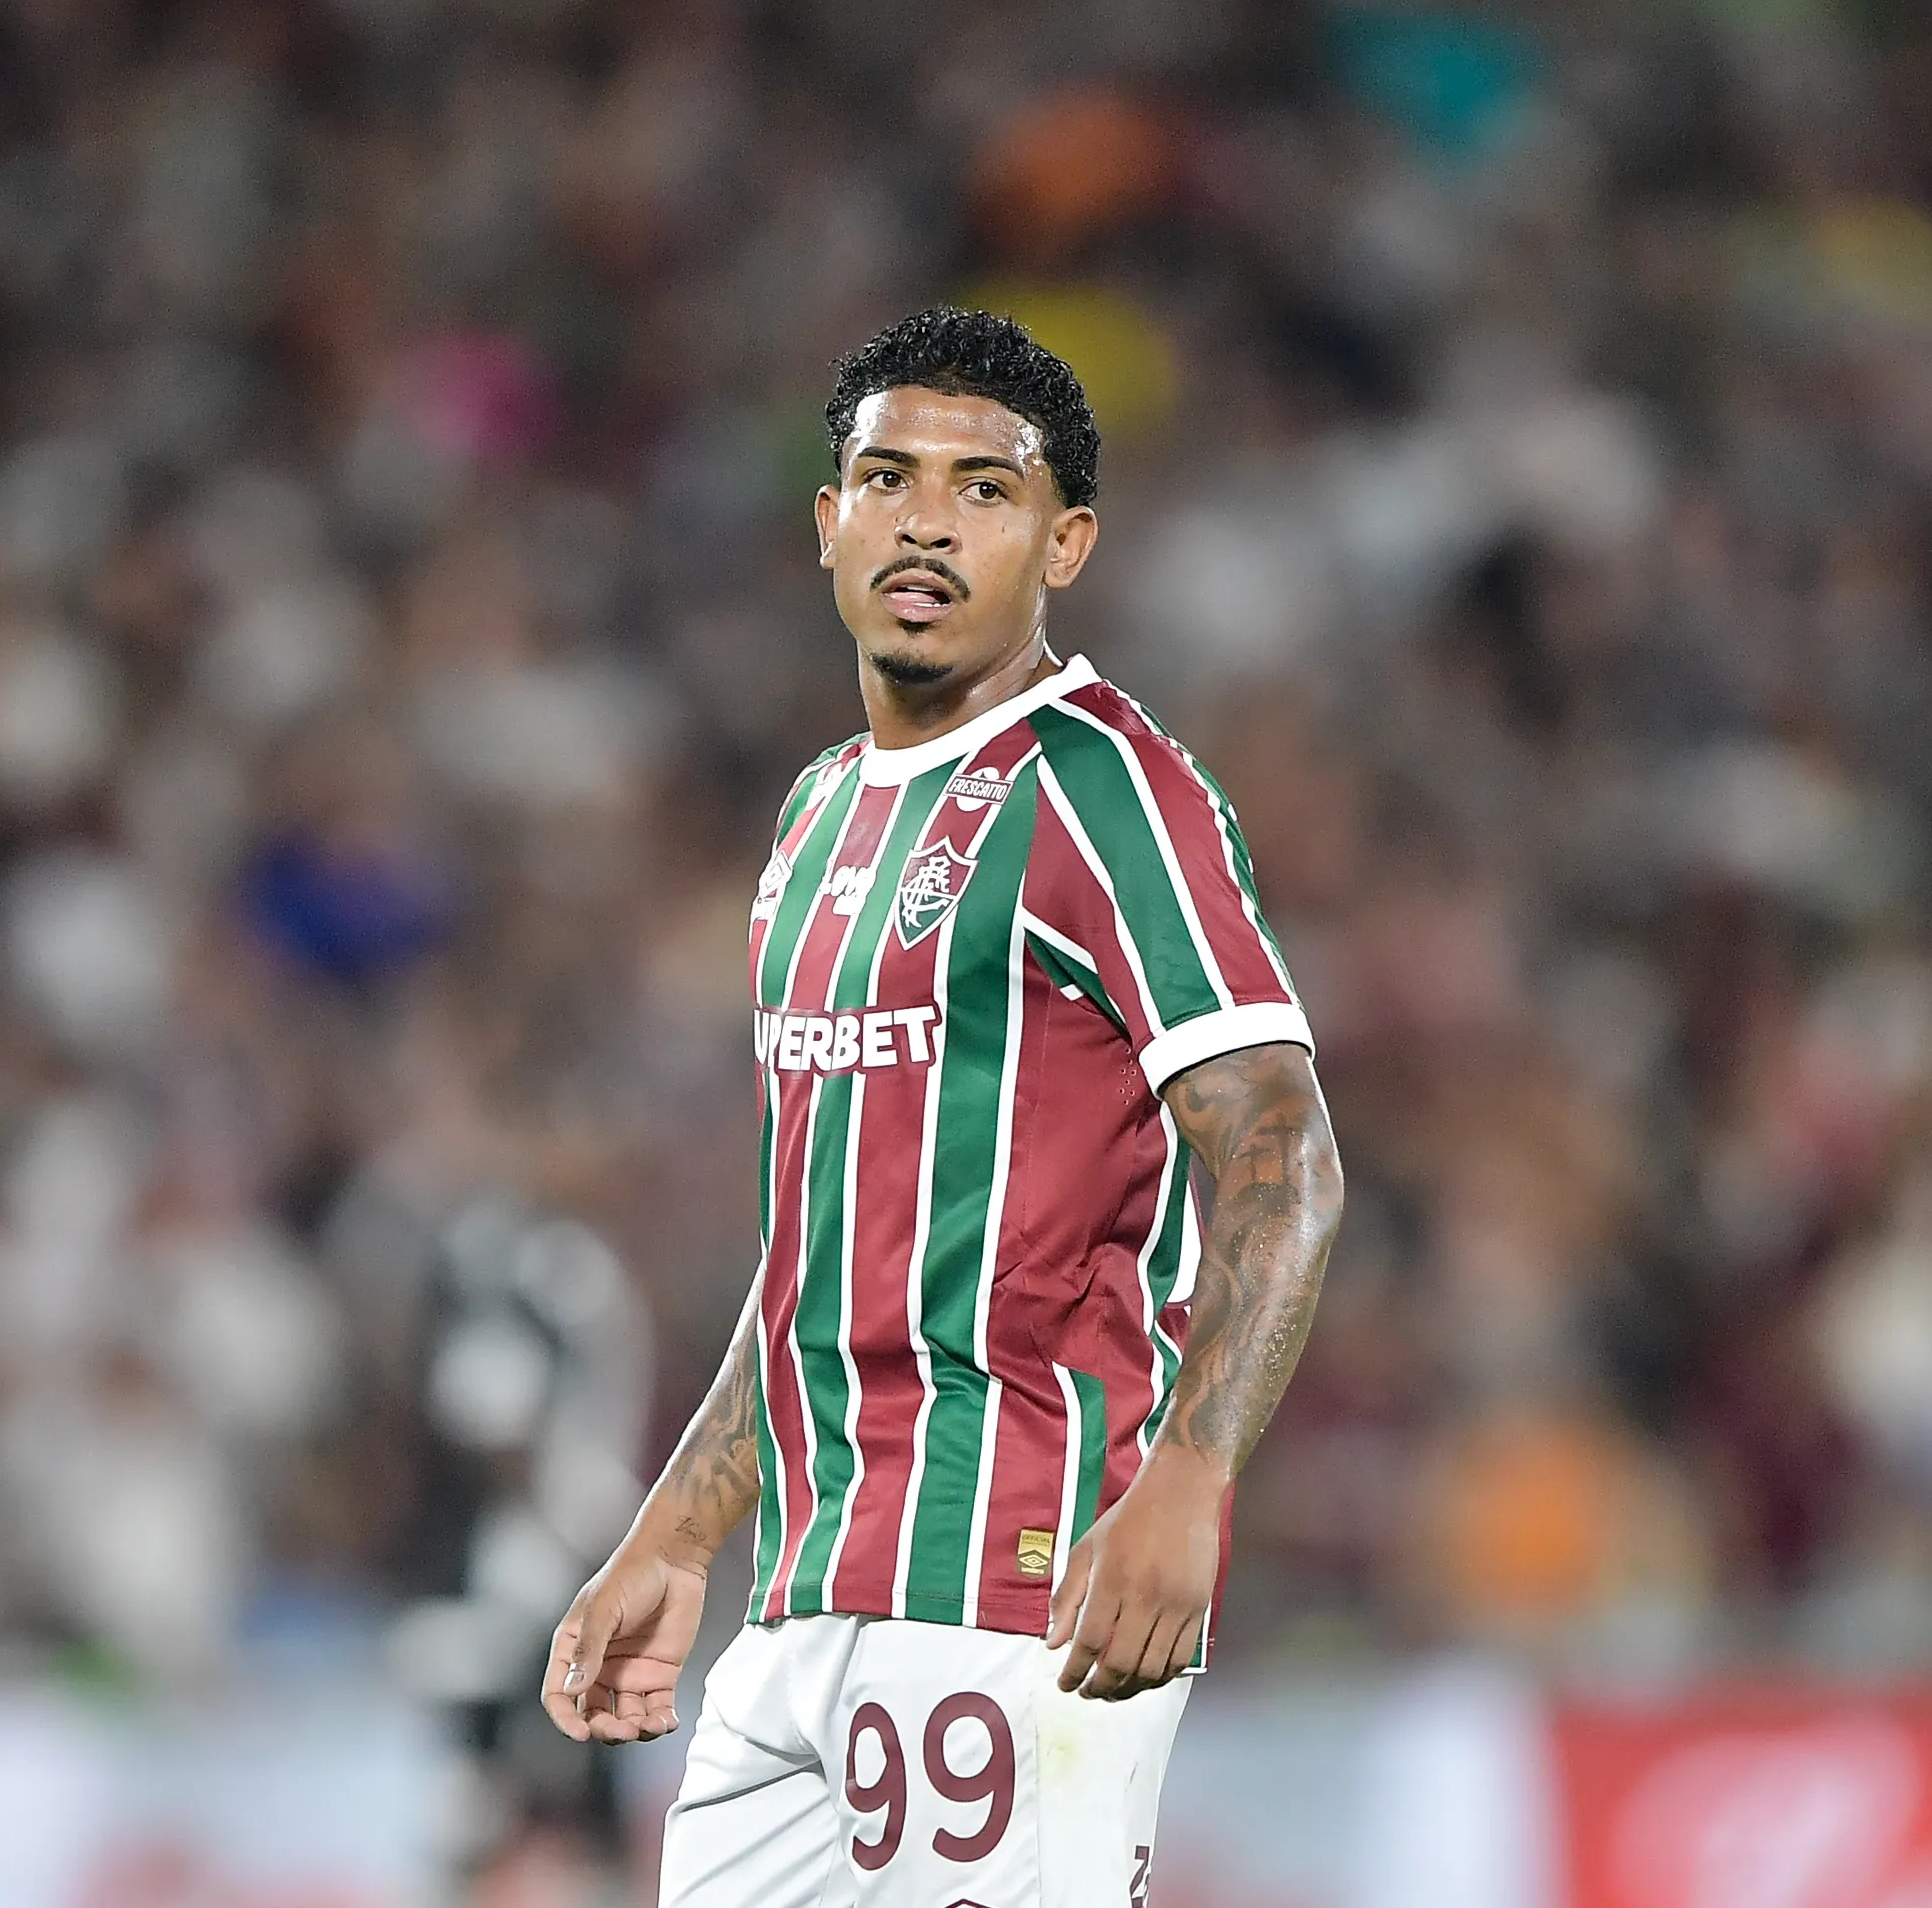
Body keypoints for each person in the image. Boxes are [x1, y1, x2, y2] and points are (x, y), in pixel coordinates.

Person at [542, 308, 1345, 1903]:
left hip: (1012, 1580)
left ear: (1068, 544)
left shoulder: (1103, 786)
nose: (926, 518)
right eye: (887, 477)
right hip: (801, 1598)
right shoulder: (815, 818)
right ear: (827, 522)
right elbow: (817, 1260)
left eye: (987, 490)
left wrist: (1190, 1476)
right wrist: (682, 1531)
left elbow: (1285, 1153)